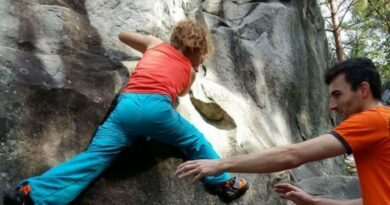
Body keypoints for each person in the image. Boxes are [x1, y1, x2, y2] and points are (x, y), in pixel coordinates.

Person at [3, 19, 249, 205]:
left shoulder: (155, 44)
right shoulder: (191, 70)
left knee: (94, 158)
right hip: (157, 110)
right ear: (198, 52)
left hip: (126, 107)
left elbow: (122, 35)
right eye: (201, 57)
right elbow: (181, 93)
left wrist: (150, 44)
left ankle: (31, 194)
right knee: (194, 139)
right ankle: (224, 182)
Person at [175, 57, 390, 205]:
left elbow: (291, 155)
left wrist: (220, 164)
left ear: (363, 90)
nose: (332, 106)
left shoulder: (373, 120)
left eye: (337, 95)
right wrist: (315, 202)